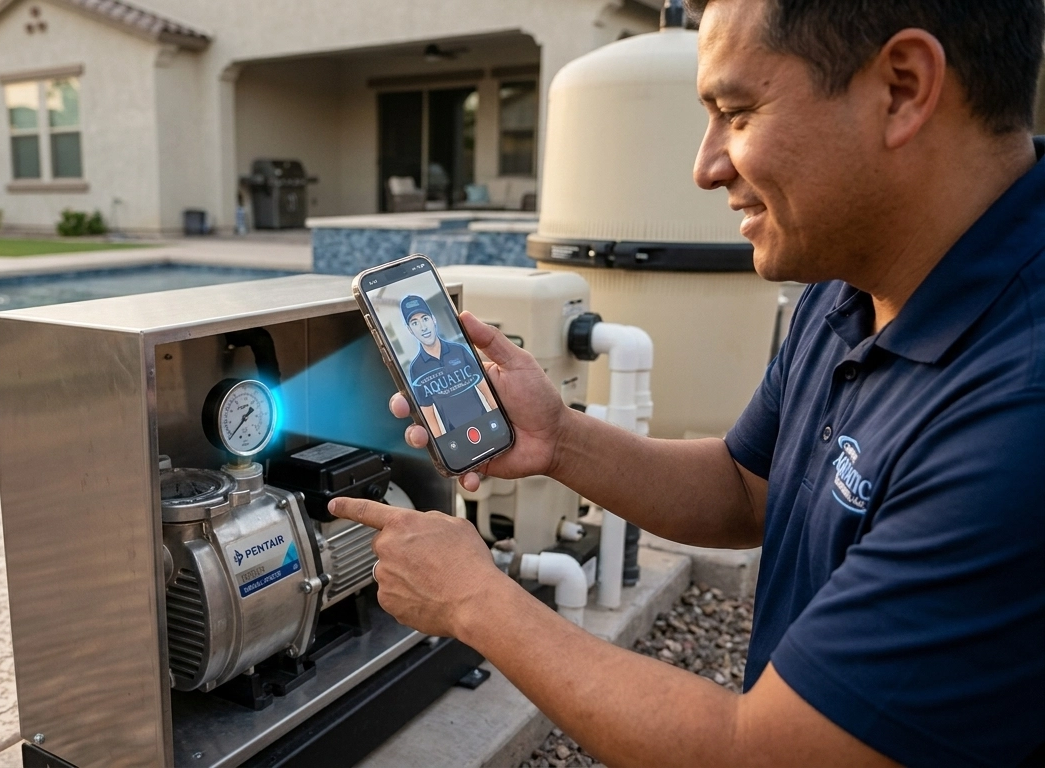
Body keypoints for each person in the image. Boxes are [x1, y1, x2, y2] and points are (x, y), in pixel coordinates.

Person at [330, 0, 1045, 765]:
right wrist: (561, 440)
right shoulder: (853, 286)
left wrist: (476, 601)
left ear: (902, 88)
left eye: (736, 112)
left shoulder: (1015, 412)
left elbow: (764, 755)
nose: (705, 168)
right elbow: (747, 487)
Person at [398, 294, 496, 438]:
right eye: (415, 323)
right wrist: (442, 450)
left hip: (488, 426)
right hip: (456, 438)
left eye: (425, 319)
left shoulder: (460, 350)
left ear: (433, 320)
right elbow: (429, 419)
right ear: (410, 330)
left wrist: (502, 424)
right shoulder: (416, 369)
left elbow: (489, 393)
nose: (423, 327)